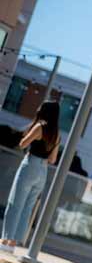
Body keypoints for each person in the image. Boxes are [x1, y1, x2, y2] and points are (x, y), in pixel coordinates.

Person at [1, 101, 60, 253]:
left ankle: (5, 240)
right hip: (43, 171)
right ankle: (13, 243)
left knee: (15, 203)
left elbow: (22, 144)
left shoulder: (40, 126)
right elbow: (53, 159)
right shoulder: (57, 134)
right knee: (27, 207)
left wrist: (27, 134)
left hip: (30, 164)